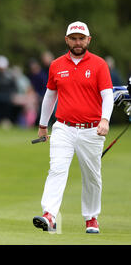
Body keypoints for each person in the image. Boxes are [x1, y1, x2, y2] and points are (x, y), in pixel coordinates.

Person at [33, 21, 114, 234]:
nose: (77, 42)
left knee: (92, 175)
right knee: (57, 169)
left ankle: (91, 218)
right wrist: (43, 125)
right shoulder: (57, 65)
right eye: (73, 38)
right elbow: (50, 96)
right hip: (63, 127)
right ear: (67, 39)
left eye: (81, 38)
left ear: (88, 39)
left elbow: (107, 95)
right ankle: (49, 215)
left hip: (92, 129)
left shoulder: (99, 64)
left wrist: (105, 120)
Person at [0, 55, 17, 128]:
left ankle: (6, 123)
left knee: (6, 113)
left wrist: (12, 95)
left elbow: (13, 87)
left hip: (7, 98)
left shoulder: (10, 76)